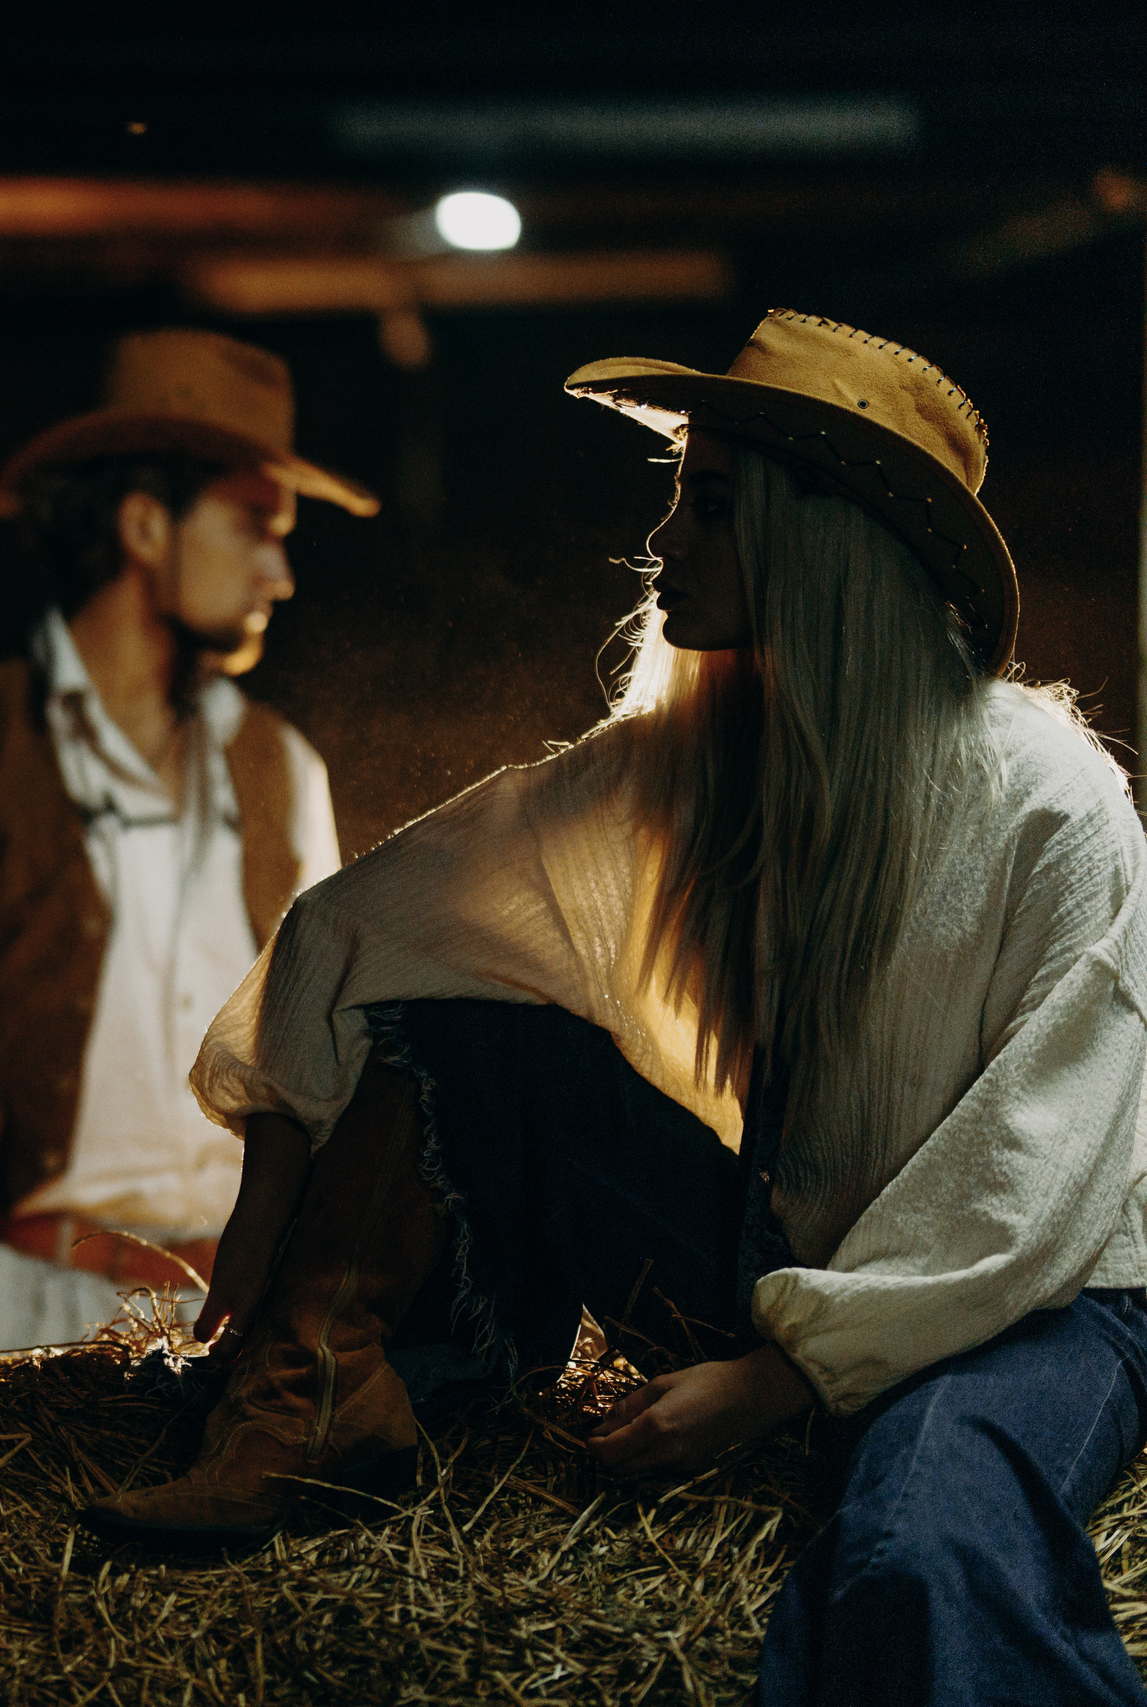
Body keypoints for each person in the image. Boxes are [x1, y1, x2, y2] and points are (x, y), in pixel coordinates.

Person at [82, 310, 1147, 1705]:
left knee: (922, 1550)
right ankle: (317, 1396)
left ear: (818, 537)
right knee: (473, 1012)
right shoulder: (715, 762)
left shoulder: (1055, 802)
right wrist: (274, 1208)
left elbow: (1032, 1171)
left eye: (709, 502)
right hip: (802, 1261)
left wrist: (777, 1376)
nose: (663, 543)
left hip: (1038, 1297)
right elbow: (377, 922)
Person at [0, 328, 380, 1357]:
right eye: (255, 525)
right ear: (143, 524)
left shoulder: (278, 767)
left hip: (238, 1318)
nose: (280, 571)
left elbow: (324, 1062)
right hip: (34, 1309)